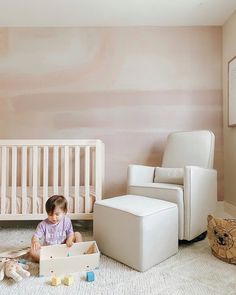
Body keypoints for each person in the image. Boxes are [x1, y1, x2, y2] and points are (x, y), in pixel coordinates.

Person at [29, 195, 83, 262]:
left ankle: (79, 253)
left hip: (64, 247)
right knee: (32, 252)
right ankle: (50, 261)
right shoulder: (43, 224)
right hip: (49, 250)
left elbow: (70, 234)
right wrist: (35, 241)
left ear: (64, 212)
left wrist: (69, 240)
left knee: (77, 234)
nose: (54, 218)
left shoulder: (66, 221)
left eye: (57, 214)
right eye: (50, 215)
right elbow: (35, 236)